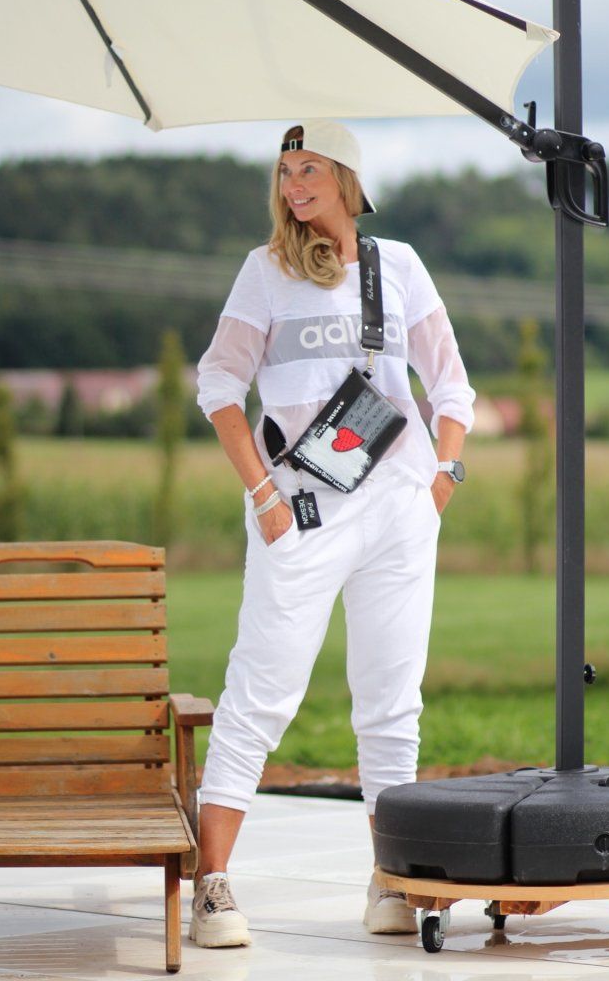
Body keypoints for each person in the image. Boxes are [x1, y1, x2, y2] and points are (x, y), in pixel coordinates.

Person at [191, 119, 475, 949]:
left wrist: (440, 481)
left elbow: (451, 387)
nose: (293, 186)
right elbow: (218, 383)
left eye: (308, 168)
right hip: (300, 514)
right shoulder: (266, 272)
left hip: (398, 512)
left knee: (391, 701)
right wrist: (263, 493)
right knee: (261, 691)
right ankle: (212, 887)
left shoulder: (401, 267)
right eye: (284, 172)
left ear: (347, 178)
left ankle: (392, 880)